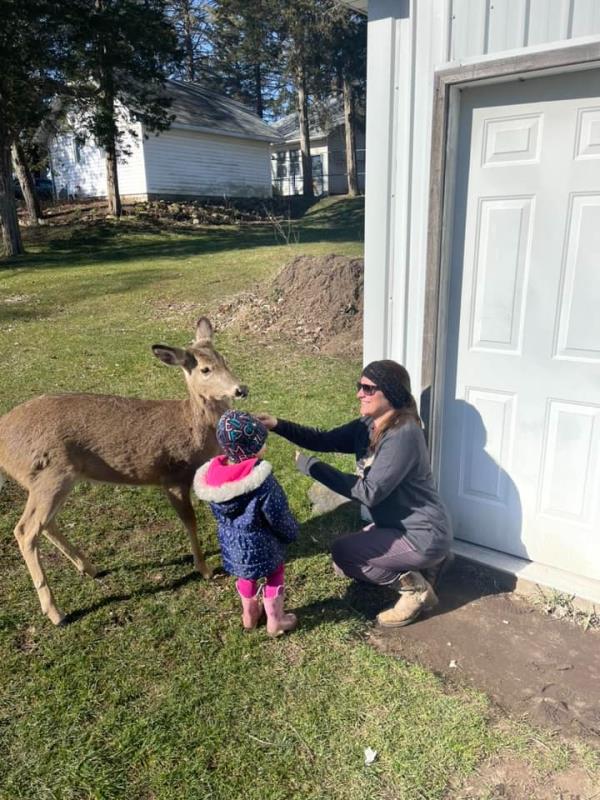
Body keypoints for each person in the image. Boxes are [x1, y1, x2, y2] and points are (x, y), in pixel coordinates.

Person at [257, 360, 452, 628]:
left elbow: (369, 493)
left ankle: (414, 590)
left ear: (392, 393)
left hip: (422, 533)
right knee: (348, 563)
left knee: (344, 555)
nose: (359, 393)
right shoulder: (368, 425)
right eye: (359, 386)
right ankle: (429, 565)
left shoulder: (403, 434)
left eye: (368, 388)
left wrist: (314, 468)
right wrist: (278, 424)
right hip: (397, 526)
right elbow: (324, 439)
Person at [193, 409, 298, 636]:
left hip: (233, 545)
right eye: (261, 442)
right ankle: (275, 620)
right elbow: (277, 514)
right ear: (252, 448)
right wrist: (290, 532)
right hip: (264, 543)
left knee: (246, 576)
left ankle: (249, 616)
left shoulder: (213, 477)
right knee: (275, 574)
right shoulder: (261, 481)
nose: (265, 446)